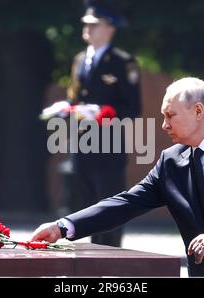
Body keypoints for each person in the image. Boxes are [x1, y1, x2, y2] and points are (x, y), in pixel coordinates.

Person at [32, 77, 204, 277]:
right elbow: (127, 202)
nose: (164, 124)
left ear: (198, 111)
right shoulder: (170, 162)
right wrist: (64, 227)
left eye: (170, 115)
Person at [61, 0, 142, 247]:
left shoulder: (123, 63)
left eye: (94, 24)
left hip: (108, 149)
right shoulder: (79, 60)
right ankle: (81, 262)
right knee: (79, 210)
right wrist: (66, 110)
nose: (87, 27)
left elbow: (132, 109)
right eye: (86, 23)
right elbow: (75, 98)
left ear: (110, 28)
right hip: (81, 147)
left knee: (108, 210)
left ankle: (109, 264)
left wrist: (104, 113)